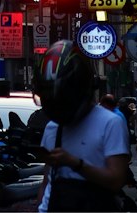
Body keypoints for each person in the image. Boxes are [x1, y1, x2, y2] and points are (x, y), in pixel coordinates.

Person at [33, 40, 131, 212]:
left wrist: (74, 163)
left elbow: (116, 180)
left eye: (63, 98)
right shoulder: (52, 128)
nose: (59, 106)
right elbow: (48, 181)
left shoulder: (110, 123)